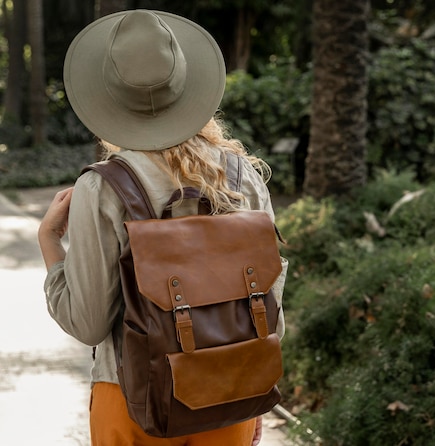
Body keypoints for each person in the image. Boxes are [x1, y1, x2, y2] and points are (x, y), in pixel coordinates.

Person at [38, 9, 287, 446]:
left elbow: (89, 324)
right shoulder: (241, 176)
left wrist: (49, 244)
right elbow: (269, 300)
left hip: (134, 401)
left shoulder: (103, 187)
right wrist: (255, 388)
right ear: (189, 85)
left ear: (108, 98)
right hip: (230, 391)